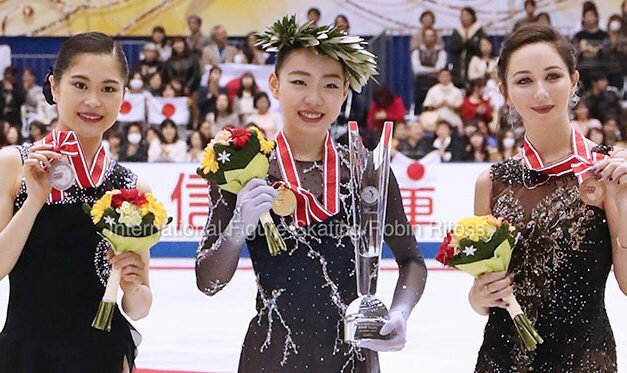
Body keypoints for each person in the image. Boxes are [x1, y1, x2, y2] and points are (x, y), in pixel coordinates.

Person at [195, 16, 427, 372]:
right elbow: (208, 282)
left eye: (330, 86)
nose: (314, 98)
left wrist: (399, 312)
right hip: (271, 357)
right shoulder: (243, 169)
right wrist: (238, 225)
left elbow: (411, 259)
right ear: (275, 84)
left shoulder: (368, 170)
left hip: (355, 359)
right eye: (299, 81)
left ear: (346, 92)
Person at [470, 24, 626, 372]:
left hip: (585, 359)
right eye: (524, 81)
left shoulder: (609, 170)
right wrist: (478, 298)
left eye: (553, 76)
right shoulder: (491, 183)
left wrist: (626, 203)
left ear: (573, 81)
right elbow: (483, 290)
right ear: (505, 92)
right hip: (502, 360)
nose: (540, 92)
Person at [0, 32, 152, 372]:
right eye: (80, 85)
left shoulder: (130, 186)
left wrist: (131, 284)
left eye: (109, 89)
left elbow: (140, 305)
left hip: (103, 356)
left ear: (124, 96)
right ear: (55, 88)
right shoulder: (13, 165)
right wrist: (35, 200)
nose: (94, 101)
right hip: (27, 354)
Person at [449, 7, 486, 87]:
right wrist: (463, 40)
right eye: (462, 16)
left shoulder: (478, 31)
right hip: (458, 67)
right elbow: (452, 48)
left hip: (472, 66)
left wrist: (468, 40)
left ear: (472, 17)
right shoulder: (457, 32)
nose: (464, 18)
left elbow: (480, 49)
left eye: (467, 15)